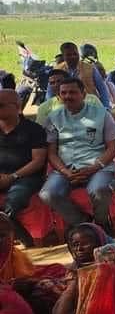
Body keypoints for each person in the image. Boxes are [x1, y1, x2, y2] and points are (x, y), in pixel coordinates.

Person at [39, 77, 115, 231]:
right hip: (65, 169)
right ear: (59, 96)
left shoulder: (102, 114)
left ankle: (101, 223)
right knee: (47, 194)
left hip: (98, 167)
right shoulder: (53, 118)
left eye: (72, 92)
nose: (68, 96)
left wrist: (94, 167)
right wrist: (65, 171)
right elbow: (52, 153)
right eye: (64, 93)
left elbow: (113, 148)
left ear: (83, 94)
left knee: (100, 190)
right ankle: (84, 223)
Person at [0, 89, 46, 232]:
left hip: (26, 177)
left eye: (0, 105)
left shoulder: (34, 129)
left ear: (16, 106)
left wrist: (12, 176)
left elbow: (38, 161)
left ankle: (13, 235)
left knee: (15, 199)